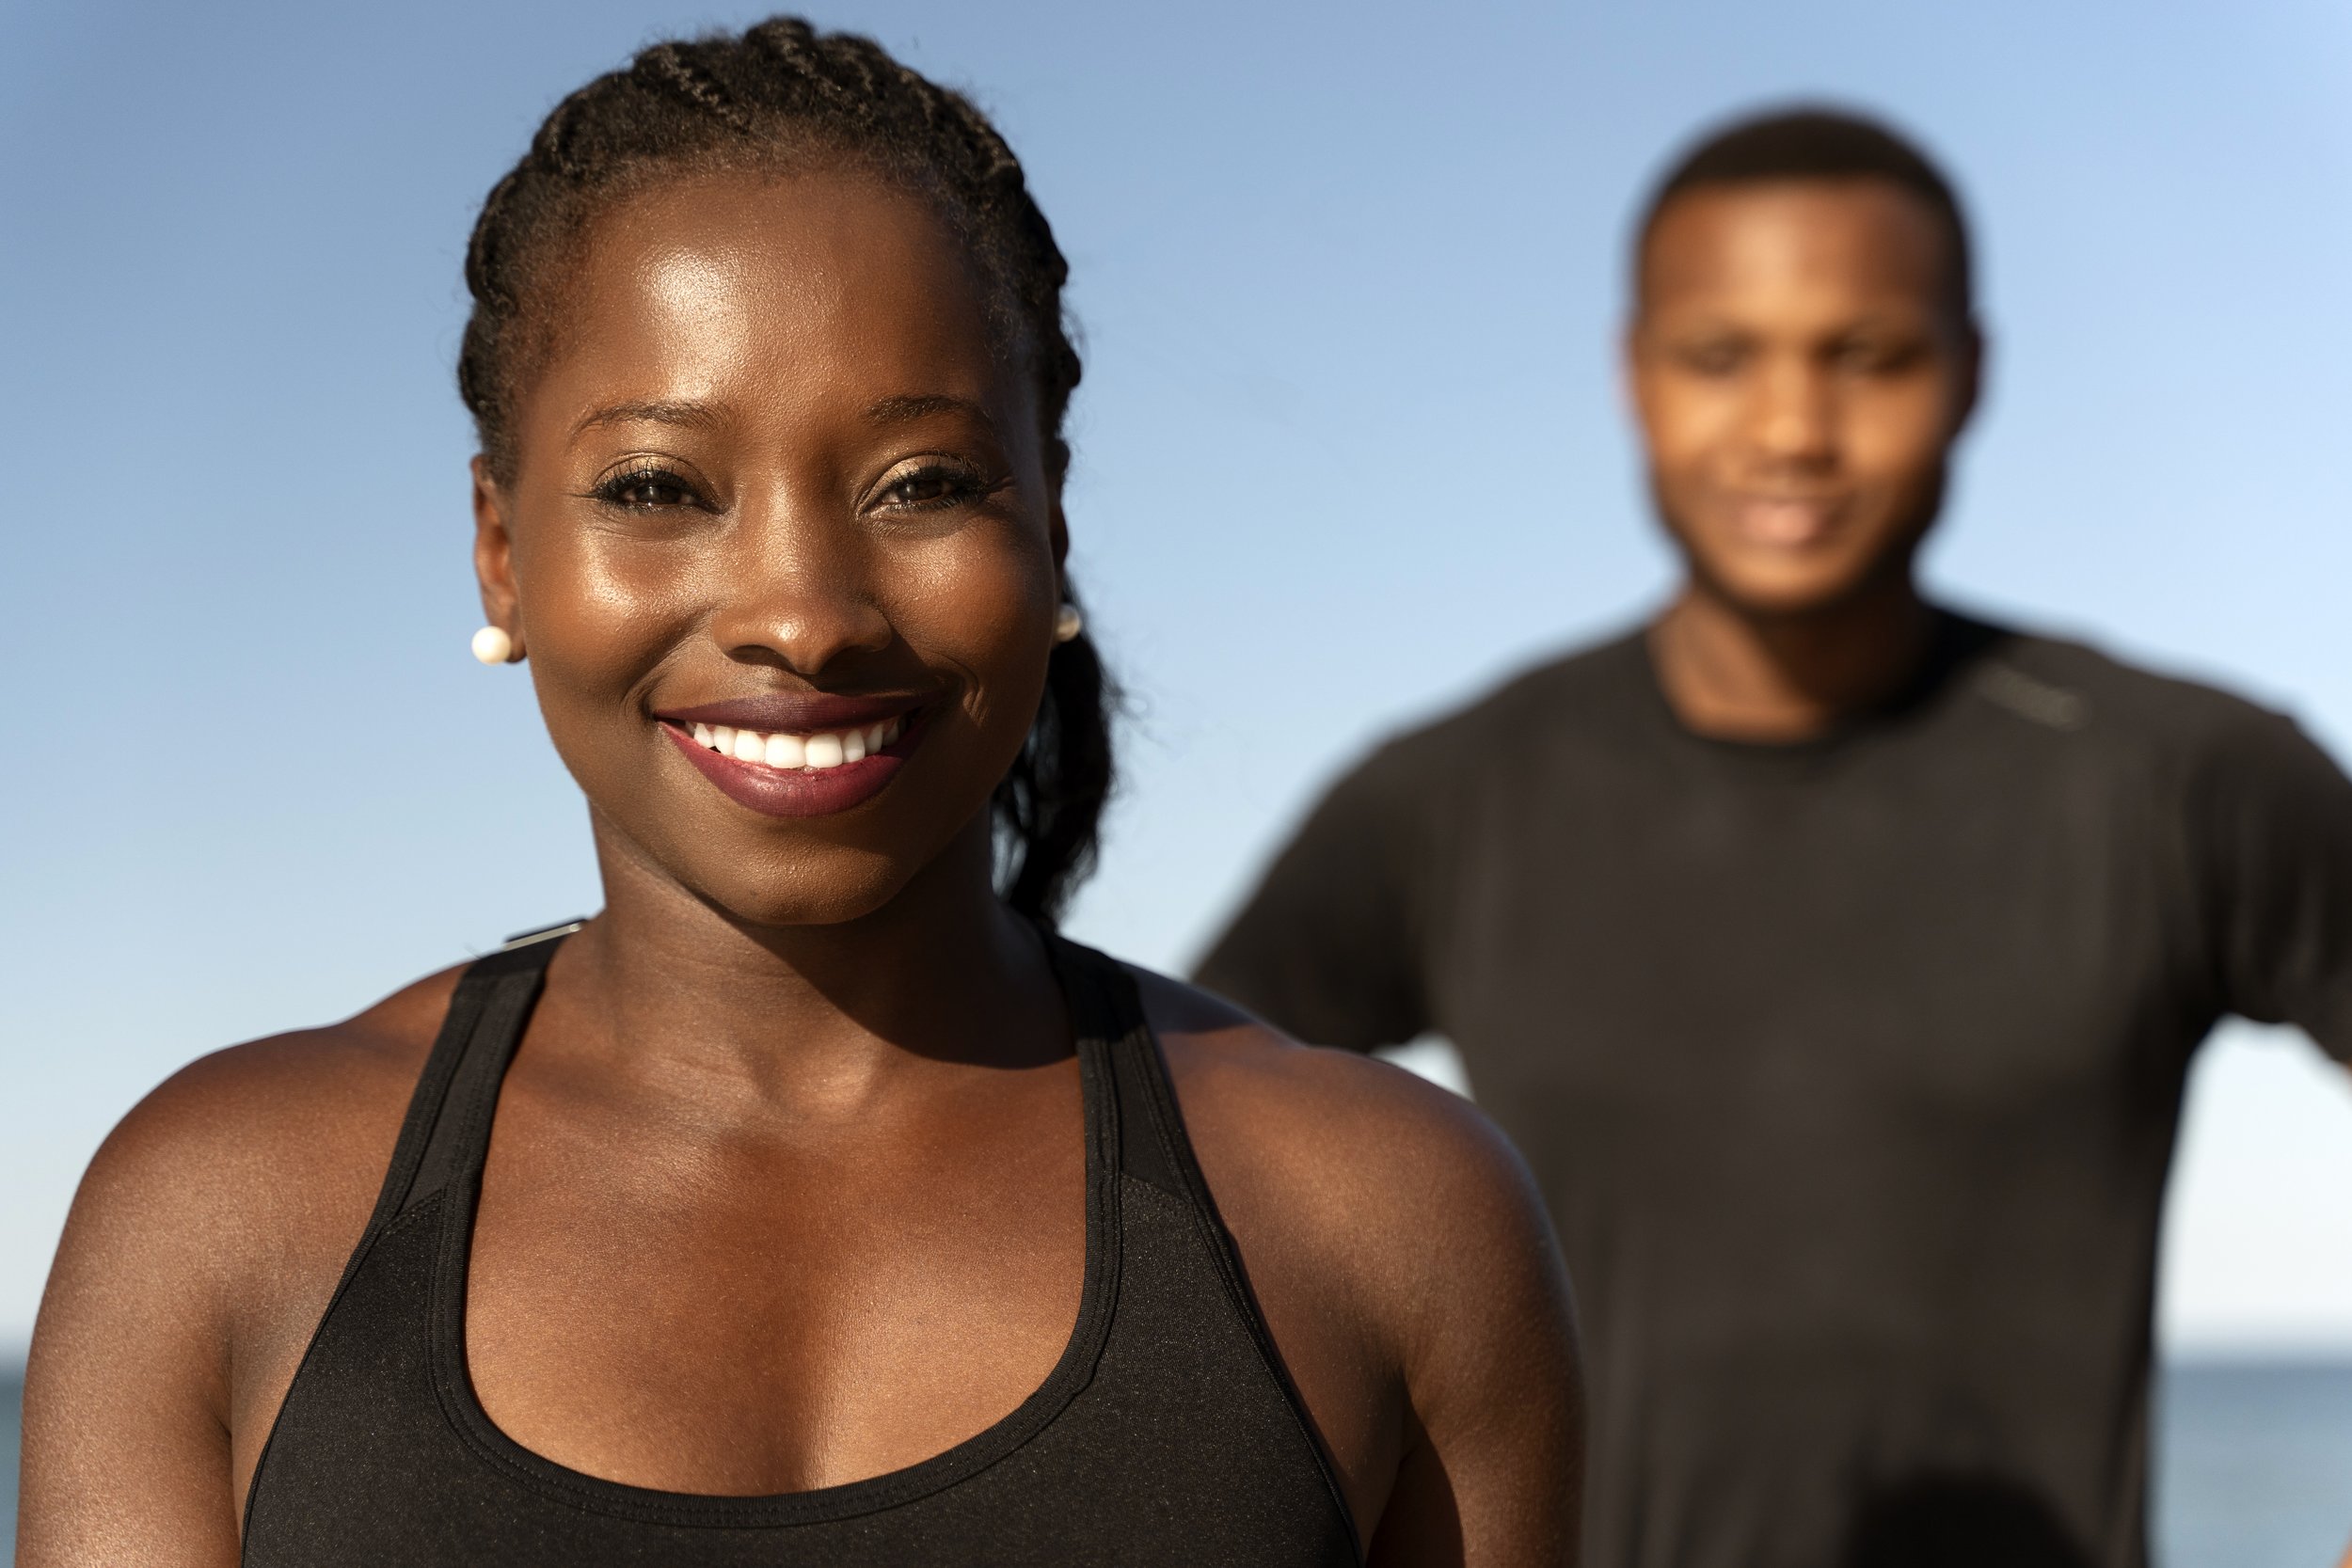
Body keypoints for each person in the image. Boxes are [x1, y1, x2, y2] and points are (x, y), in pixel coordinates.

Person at [16, 22, 1582, 1567]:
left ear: (1051, 523)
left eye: (924, 485)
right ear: (502, 546)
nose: (803, 608)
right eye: (658, 489)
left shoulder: (1389, 1225)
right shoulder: (220, 1217)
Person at [1197, 107, 2352, 1568]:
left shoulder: (2181, 780)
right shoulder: (1451, 800)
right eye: (1722, 356)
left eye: (1867, 356)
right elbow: (1165, 1188)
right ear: (1636, 377)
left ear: (1970, 374)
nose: (1794, 429)